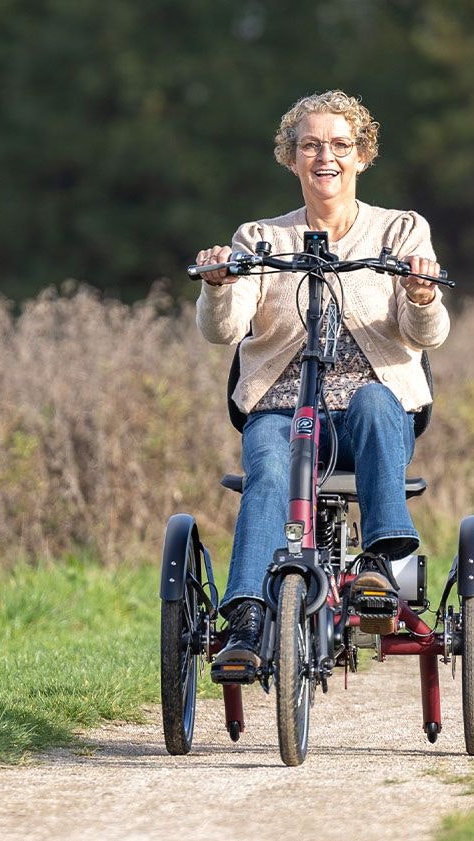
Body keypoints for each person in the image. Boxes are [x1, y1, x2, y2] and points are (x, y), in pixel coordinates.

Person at [194, 90, 449, 672]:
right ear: (290, 157)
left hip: (370, 412)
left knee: (376, 403)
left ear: (363, 155)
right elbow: (226, 329)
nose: (325, 157)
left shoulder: (401, 230)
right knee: (267, 468)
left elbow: (426, 335)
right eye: (310, 145)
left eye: (340, 145)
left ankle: (383, 568)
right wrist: (217, 287)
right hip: (283, 410)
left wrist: (422, 293)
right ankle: (248, 619)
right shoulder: (260, 239)